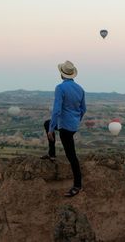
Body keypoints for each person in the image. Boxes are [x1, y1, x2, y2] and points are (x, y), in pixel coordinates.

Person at [47, 60, 86, 197]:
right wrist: (75, 121)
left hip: (64, 127)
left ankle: (77, 185)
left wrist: (52, 129)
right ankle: (51, 154)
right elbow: (83, 109)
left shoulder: (60, 88)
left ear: (62, 74)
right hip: (72, 125)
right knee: (46, 123)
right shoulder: (80, 89)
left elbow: (57, 110)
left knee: (71, 156)